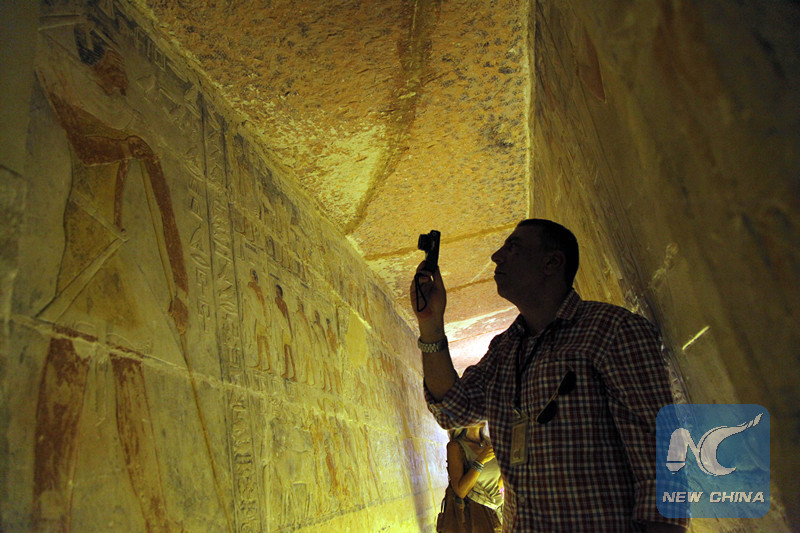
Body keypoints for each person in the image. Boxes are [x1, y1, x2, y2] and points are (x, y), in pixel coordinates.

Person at [411, 219, 689, 532]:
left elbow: (663, 464)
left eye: (513, 247)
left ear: (552, 263)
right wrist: (430, 323)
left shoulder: (611, 331)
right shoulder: (505, 349)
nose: (496, 256)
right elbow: (451, 409)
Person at [445, 423, 503, 531]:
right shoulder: (455, 446)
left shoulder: (490, 443)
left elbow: (496, 484)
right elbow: (461, 491)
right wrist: (480, 461)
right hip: (476, 517)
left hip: (498, 514)